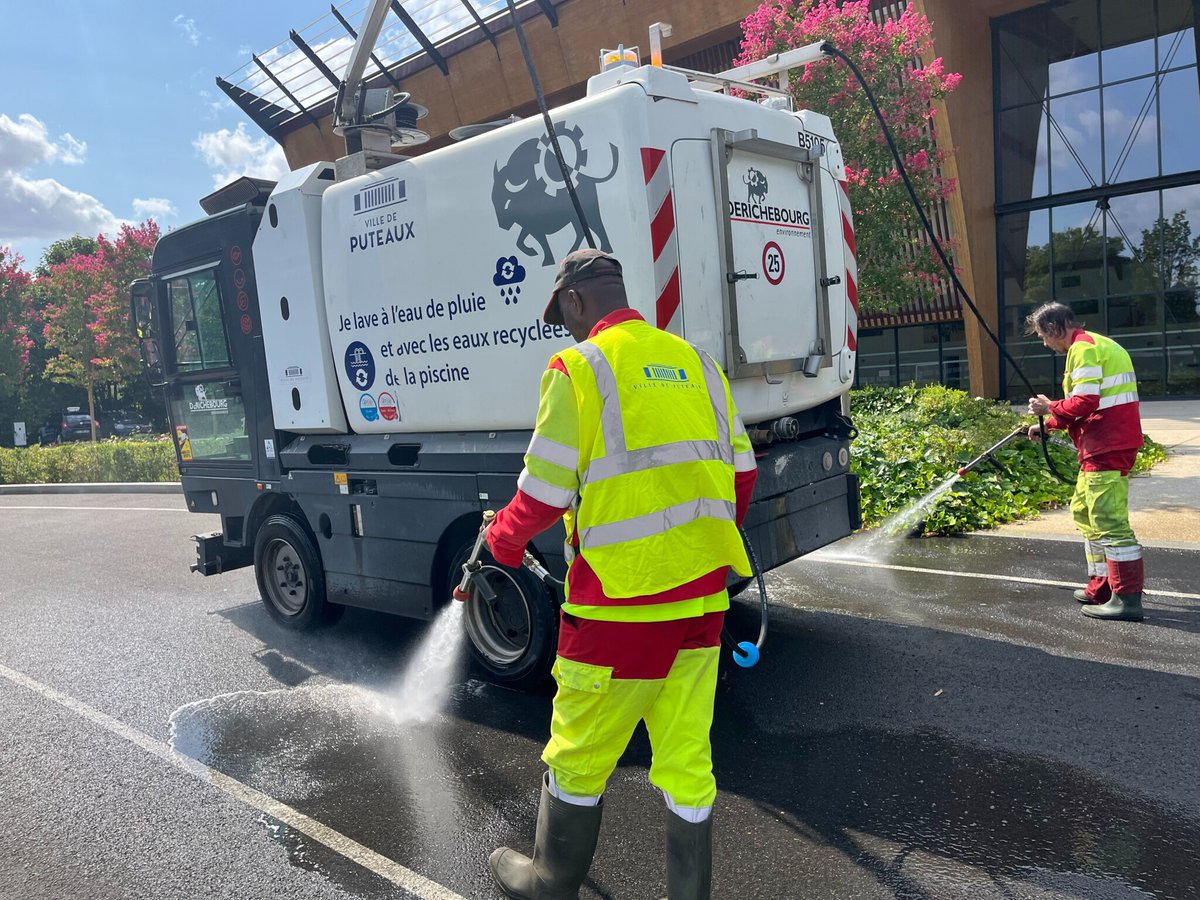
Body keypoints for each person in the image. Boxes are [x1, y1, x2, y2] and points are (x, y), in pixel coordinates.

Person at [482, 248, 758, 899]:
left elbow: (545, 492)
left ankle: (549, 880)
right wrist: (690, 548)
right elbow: (741, 477)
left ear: (575, 302)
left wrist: (502, 540)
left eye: (564, 316)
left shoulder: (576, 369)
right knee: (688, 761)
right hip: (700, 610)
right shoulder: (700, 365)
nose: (566, 329)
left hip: (616, 616)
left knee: (576, 757)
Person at [1024, 301, 1145, 622]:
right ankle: (1102, 586)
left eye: (1042, 336)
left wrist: (1049, 407)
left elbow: (1085, 400)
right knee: (1085, 511)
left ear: (1053, 329)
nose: (1044, 343)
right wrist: (1047, 425)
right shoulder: (1091, 346)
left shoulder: (1083, 349)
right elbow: (1090, 404)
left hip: (1108, 444)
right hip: (1102, 442)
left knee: (1107, 518)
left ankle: (1127, 597)